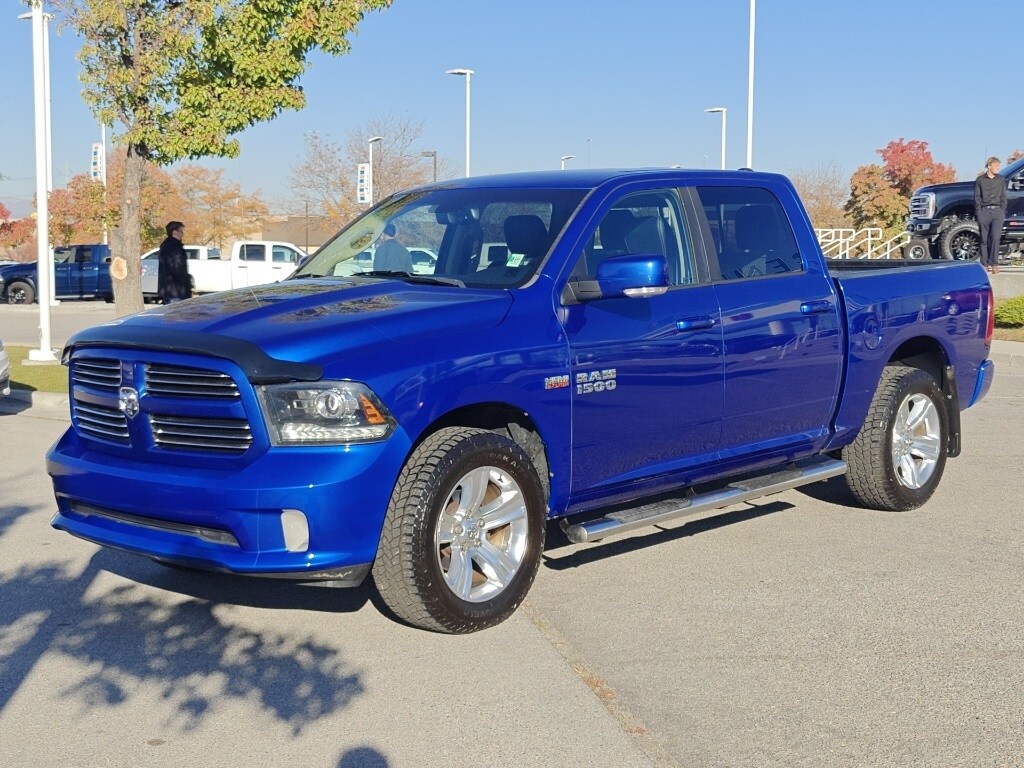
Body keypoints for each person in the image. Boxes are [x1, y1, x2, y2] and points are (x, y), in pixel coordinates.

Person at [975, 156, 1007, 274]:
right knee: (984, 238)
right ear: (989, 166)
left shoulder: (1001, 180)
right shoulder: (980, 180)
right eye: (995, 166)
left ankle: (994, 264)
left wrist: (1002, 210)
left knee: (995, 238)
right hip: (984, 211)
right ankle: (984, 264)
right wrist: (979, 212)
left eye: (998, 166)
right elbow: (977, 198)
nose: (998, 168)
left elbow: (1004, 196)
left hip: (997, 211)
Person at [157, 220, 192, 303]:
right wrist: (186, 285)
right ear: (174, 232)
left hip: (171, 290)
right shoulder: (174, 247)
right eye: (181, 231)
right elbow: (177, 268)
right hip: (175, 291)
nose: (182, 234)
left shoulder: (167, 245)